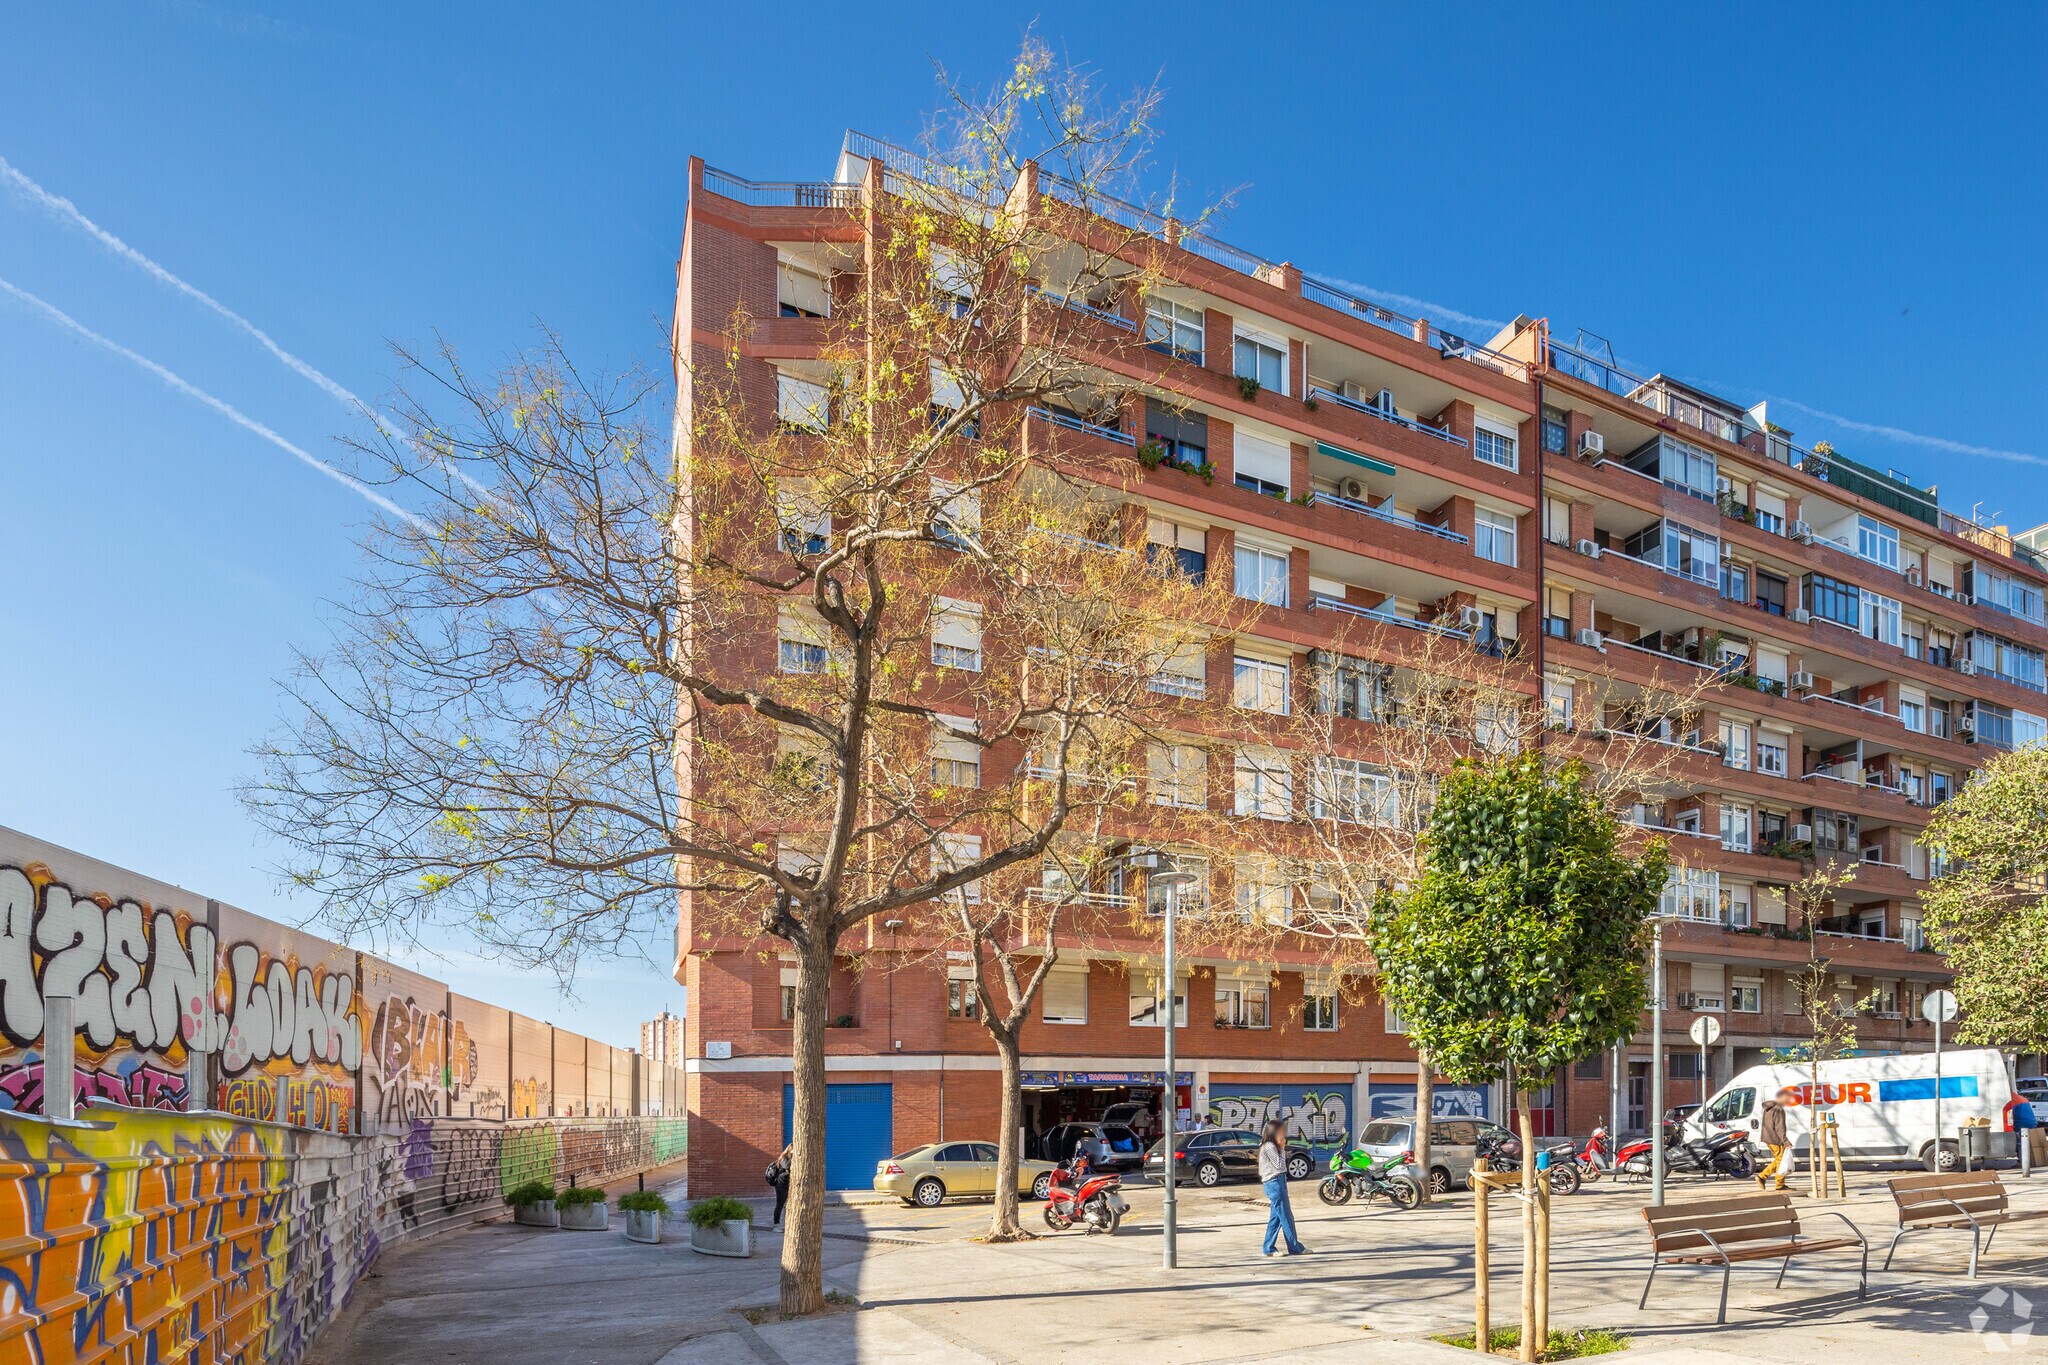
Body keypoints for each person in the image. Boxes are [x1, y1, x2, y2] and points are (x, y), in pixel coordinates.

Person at [1259, 1119, 1307, 1257]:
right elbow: (1279, 1166)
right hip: (1274, 1182)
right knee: (1286, 1216)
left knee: (1276, 1218)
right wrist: (1281, 1148)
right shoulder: (1269, 1146)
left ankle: (1268, 1248)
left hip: (1278, 1181)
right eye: (1281, 1130)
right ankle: (1295, 1247)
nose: (1283, 1133)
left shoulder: (1271, 1145)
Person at [1756, 1088, 1794, 1192]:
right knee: (1781, 1162)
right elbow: (1779, 1127)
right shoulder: (1778, 1109)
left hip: (1768, 1138)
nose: (1788, 1101)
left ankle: (1762, 1177)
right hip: (1775, 1139)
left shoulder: (1769, 1107)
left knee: (1778, 1160)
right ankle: (1779, 1185)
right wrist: (1786, 1141)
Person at [767, 1143, 793, 1226]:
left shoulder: (790, 1158)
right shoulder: (783, 1158)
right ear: (789, 1150)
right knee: (780, 1204)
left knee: (788, 1204)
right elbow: (787, 1166)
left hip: (788, 1184)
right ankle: (776, 1224)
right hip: (780, 1184)